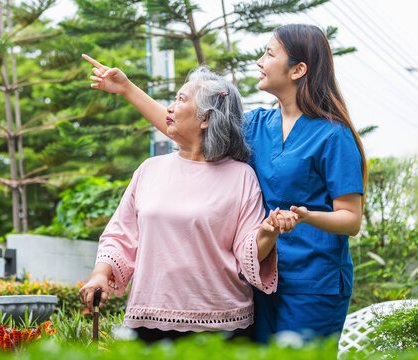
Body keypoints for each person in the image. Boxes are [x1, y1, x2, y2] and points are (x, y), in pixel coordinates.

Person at [80, 23, 366, 343]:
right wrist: (126, 88)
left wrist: (305, 216)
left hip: (313, 283)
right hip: (261, 278)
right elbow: (188, 124)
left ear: (298, 69)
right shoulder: (257, 124)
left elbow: (351, 220)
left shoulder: (333, 135)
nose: (259, 61)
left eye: (269, 54)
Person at [79, 65, 293, 343]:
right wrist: (98, 276)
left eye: (181, 100)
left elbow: (246, 251)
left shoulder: (241, 177)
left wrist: (268, 232)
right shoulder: (149, 170)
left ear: (205, 119)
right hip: (148, 320)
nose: (169, 107)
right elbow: (120, 236)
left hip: (222, 327)